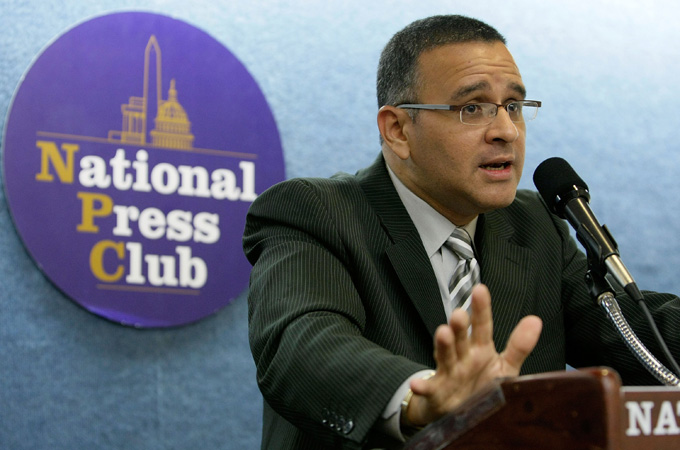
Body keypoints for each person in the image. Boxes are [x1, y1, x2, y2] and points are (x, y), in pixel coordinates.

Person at [242, 14, 680, 449]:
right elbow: (301, 345)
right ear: (398, 130)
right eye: (472, 108)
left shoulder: (535, 226)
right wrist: (421, 397)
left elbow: (634, 332)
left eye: (513, 106)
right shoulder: (315, 213)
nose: (506, 131)